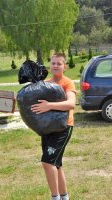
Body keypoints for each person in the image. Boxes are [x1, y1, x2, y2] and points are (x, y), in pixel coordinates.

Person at [31, 53, 76, 200]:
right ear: (50, 66)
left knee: (46, 162)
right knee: (56, 165)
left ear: (65, 66)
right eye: (53, 63)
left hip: (63, 128)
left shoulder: (67, 83)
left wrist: (49, 106)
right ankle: (64, 197)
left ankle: (54, 197)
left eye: (59, 63)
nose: (56, 66)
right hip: (47, 129)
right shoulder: (46, 83)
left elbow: (71, 104)